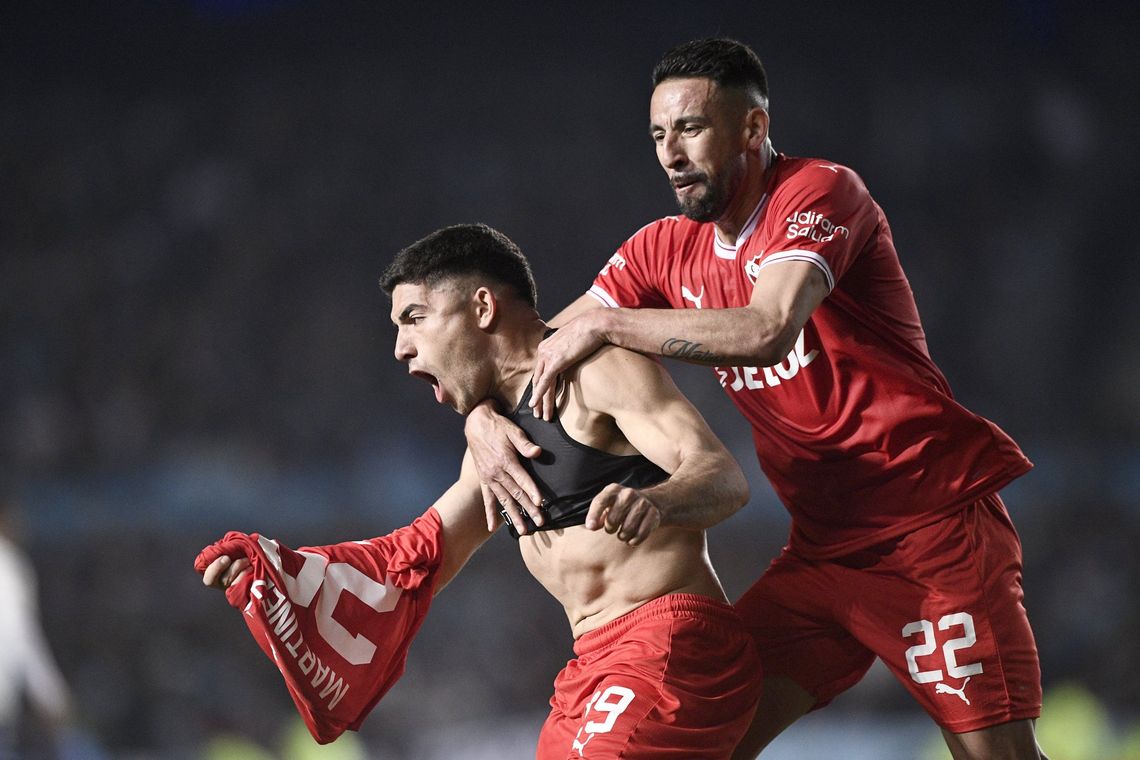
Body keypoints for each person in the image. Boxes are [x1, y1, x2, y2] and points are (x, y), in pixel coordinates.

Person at [463, 39, 1048, 759]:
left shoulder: (821, 193)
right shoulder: (661, 248)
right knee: (705, 734)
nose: (671, 153)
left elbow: (767, 329)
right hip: (822, 553)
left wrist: (610, 321)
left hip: (930, 529)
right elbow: (536, 351)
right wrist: (481, 415)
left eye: (690, 128)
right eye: (657, 135)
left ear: (752, 128)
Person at [198, 223, 762, 757]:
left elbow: (723, 478)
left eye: (414, 318)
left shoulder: (597, 370)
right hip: (591, 670)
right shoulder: (490, 442)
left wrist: (656, 502)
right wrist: (274, 571)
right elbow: (418, 557)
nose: (400, 347)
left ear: (483, 307)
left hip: (675, 643)